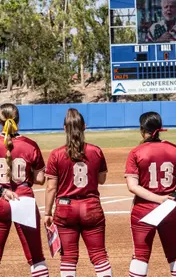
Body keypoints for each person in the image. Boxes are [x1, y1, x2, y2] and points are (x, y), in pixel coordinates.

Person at [0, 103, 49, 277]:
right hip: (24, 200)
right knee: (36, 258)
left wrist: (1, 191)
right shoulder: (31, 145)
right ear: (18, 120)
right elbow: (40, 179)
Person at [44, 108, 112, 277]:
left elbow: (51, 187)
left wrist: (47, 212)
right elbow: (101, 180)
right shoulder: (95, 151)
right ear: (84, 126)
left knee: (68, 259)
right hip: (91, 206)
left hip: (65, 208)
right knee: (99, 256)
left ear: (64, 128)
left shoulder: (56, 154)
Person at [125, 111, 176, 277]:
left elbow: (132, 186)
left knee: (140, 254)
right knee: (175, 252)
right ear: (160, 129)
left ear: (142, 129)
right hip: (170, 206)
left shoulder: (136, 152)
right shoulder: (175, 149)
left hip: (143, 208)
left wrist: (156, 198)